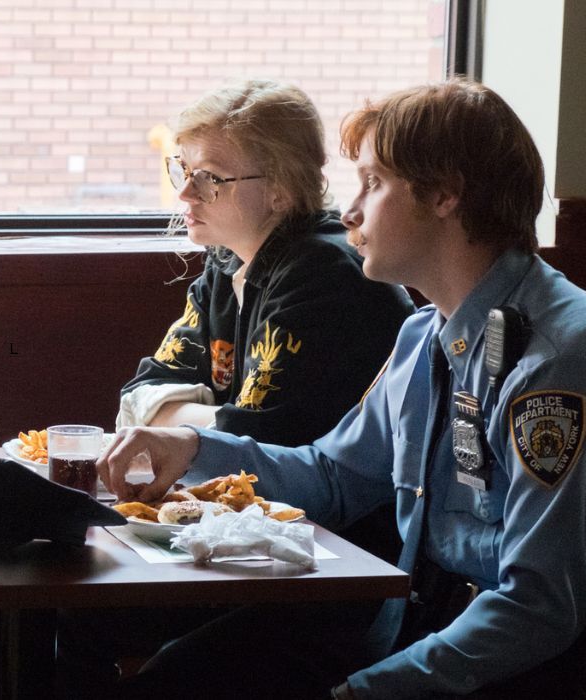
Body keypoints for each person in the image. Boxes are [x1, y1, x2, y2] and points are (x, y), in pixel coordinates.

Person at [96, 78, 586, 698]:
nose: (349, 212)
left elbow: (540, 608)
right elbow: (332, 477)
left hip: (544, 670)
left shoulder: (563, 363)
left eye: (374, 184)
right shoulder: (424, 336)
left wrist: (368, 690)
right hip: (419, 621)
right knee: (177, 676)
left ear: (444, 196)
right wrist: (192, 449)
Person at [119, 79, 413, 450]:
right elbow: (141, 394)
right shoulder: (226, 260)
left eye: (209, 178)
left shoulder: (324, 275)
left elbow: (251, 439)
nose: (185, 193)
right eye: (183, 169)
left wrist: (188, 419)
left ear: (281, 189)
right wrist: (217, 419)